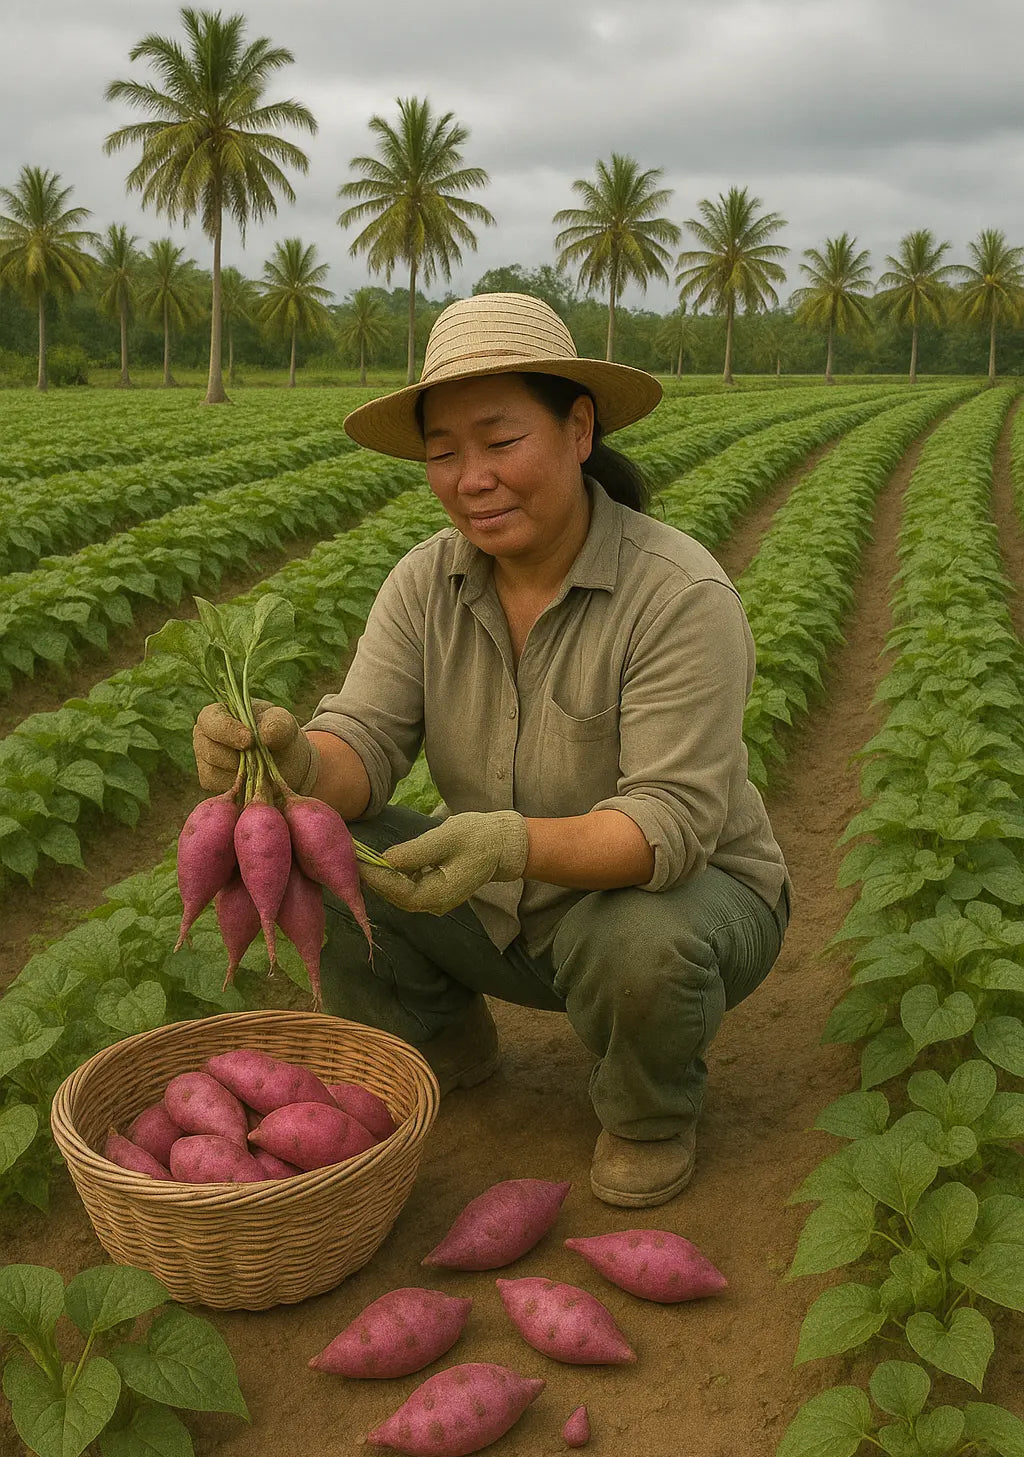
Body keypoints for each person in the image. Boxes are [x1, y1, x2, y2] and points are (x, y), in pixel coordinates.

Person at [193, 292, 792, 1209]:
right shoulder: (425, 584)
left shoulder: (678, 595)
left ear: (579, 429)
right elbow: (363, 741)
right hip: (499, 908)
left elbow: (667, 827)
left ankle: (649, 1111)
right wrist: (288, 763)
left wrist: (508, 843)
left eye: (501, 441)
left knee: (635, 937)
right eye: (444, 452)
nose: (472, 476)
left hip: (683, 902)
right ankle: (438, 1041)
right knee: (314, 846)